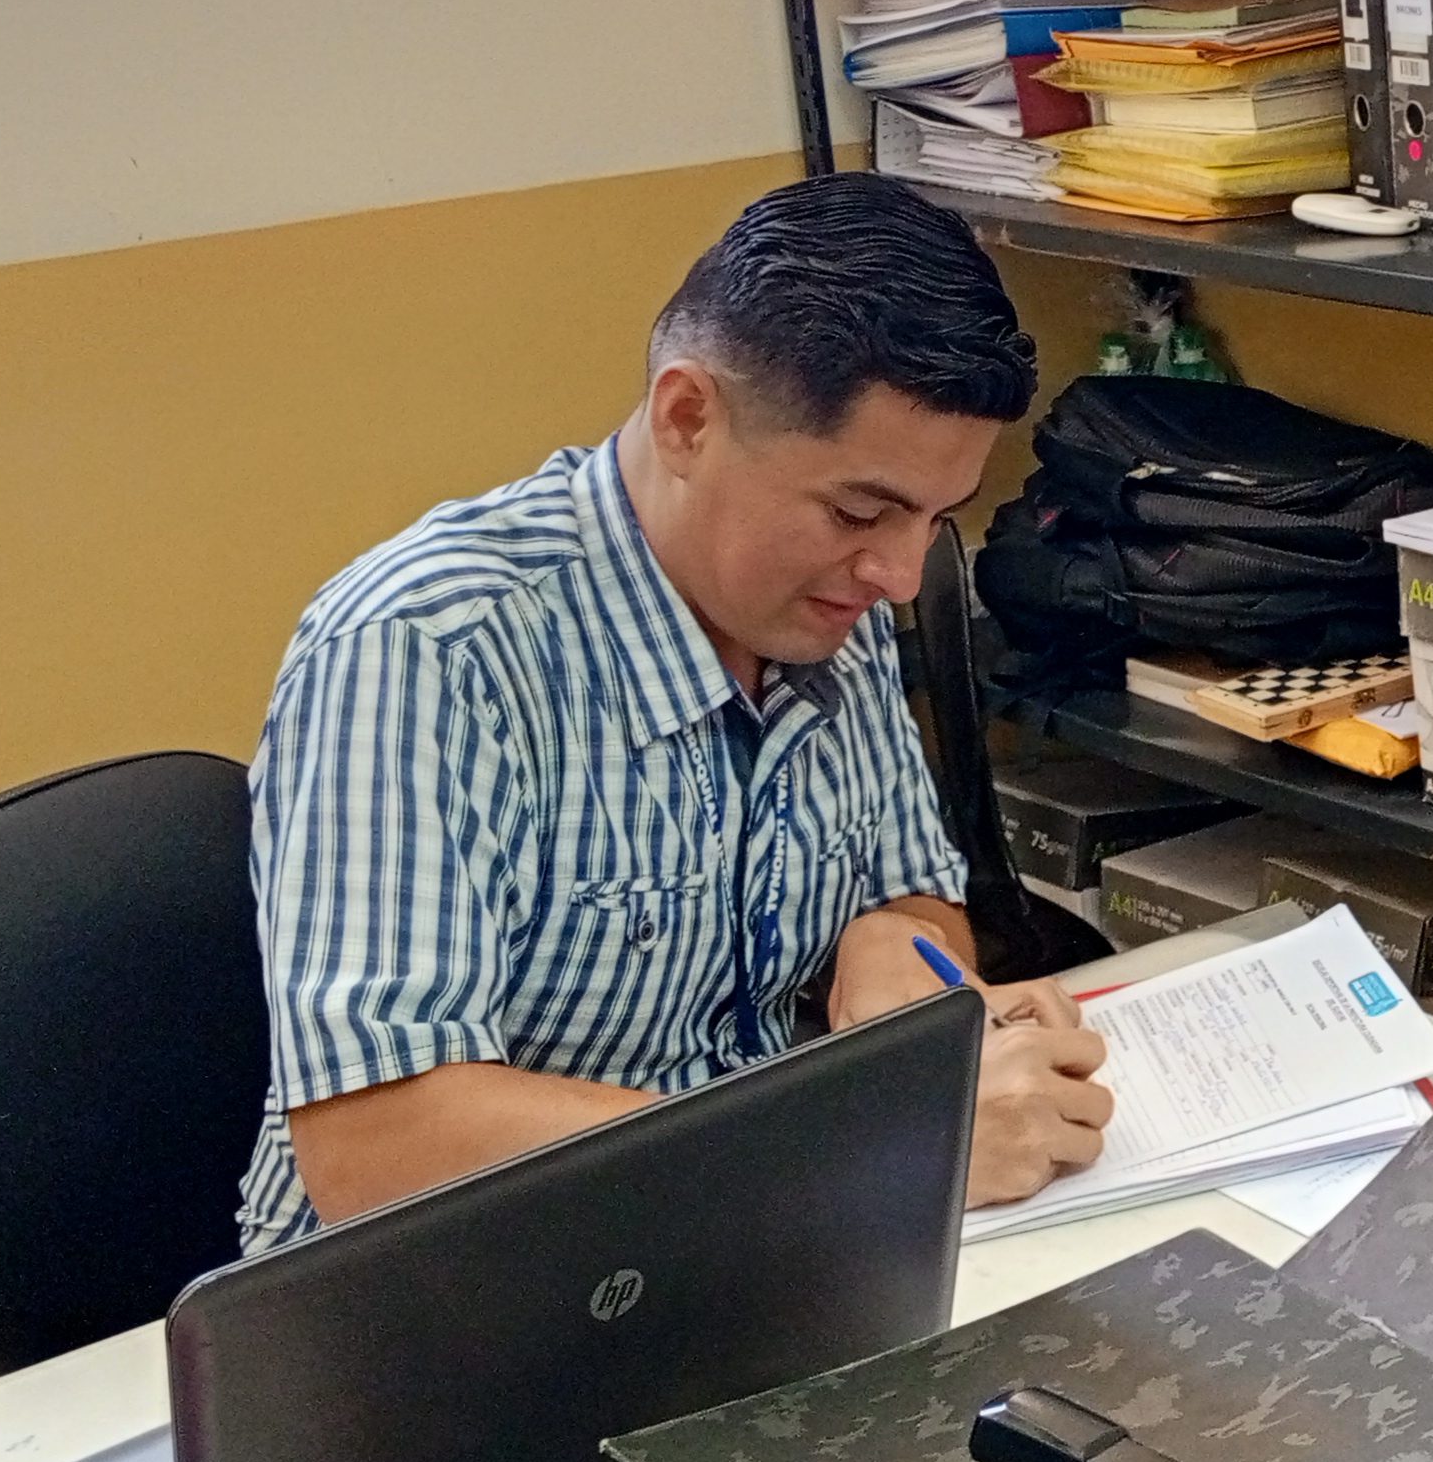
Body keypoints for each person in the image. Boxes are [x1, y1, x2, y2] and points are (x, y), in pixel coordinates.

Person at [231, 174, 1112, 1254]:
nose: (896, 575)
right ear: (688, 418)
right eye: (859, 510)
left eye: (936, 520)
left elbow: (914, 891)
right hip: (462, 1294)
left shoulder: (818, 603)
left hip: (753, 1245)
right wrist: (864, 1151)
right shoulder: (426, 650)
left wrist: (891, 944)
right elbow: (377, 1148)